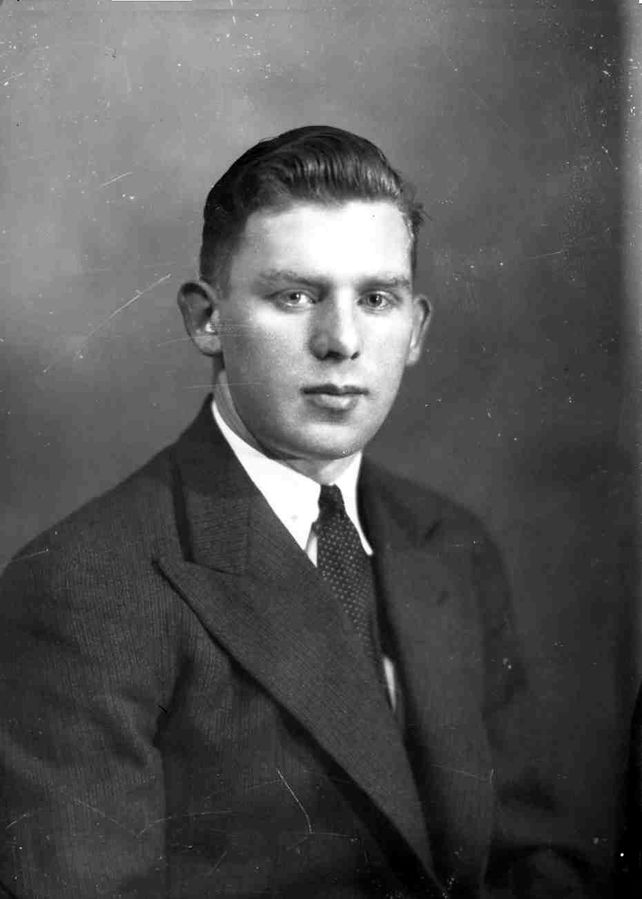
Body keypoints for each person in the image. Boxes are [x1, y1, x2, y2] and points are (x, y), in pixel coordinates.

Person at [0, 126, 602, 897]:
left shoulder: (449, 542)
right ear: (206, 319)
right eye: (294, 296)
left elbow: (534, 855)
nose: (341, 340)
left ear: (416, 330)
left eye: (376, 299)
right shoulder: (83, 583)